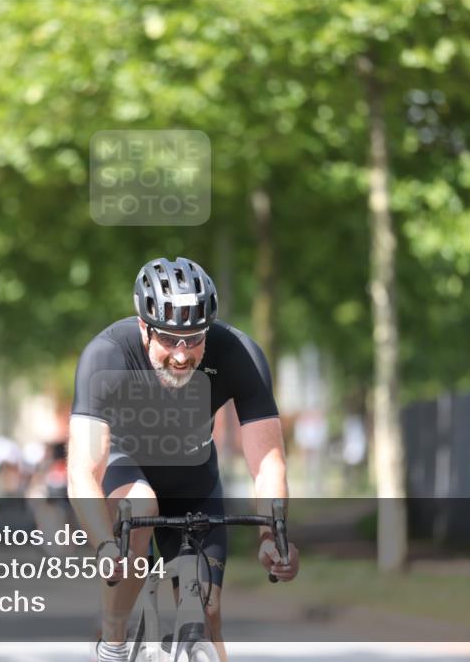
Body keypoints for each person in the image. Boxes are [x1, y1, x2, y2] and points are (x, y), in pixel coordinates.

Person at [67, 257, 300, 662]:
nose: (181, 354)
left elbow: (268, 463)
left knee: (208, 615)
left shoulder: (239, 354)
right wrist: (105, 545)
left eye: (194, 339)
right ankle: (114, 640)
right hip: (128, 469)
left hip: (195, 482)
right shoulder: (106, 355)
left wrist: (271, 536)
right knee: (139, 503)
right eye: (170, 340)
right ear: (144, 328)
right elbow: (82, 470)